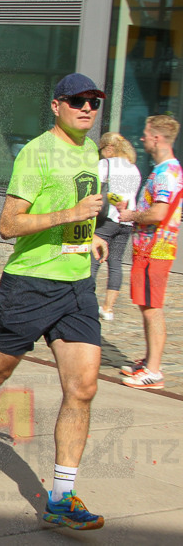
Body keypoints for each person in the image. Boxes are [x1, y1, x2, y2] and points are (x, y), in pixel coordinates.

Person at [0, 73, 108, 531]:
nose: (87, 108)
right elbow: (9, 225)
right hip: (30, 285)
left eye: (94, 101)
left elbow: (76, 212)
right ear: (57, 105)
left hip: (77, 286)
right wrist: (69, 216)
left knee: (83, 388)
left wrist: (85, 238)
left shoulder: (90, 151)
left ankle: (61, 495)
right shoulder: (36, 152)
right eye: (78, 101)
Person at [117, 115, 183, 390]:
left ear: (157, 138)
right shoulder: (165, 170)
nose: (142, 138)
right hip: (150, 249)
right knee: (147, 307)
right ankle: (149, 361)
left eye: (145, 134)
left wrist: (132, 214)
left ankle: (153, 371)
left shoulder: (167, 173)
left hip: (155, 250)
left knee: (152, 310)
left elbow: (158, 212)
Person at [90, 132, 141, 322]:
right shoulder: (134, 168)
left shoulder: (107, 165)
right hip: (127, 222)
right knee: (116, 262)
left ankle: (85, 303)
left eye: (102, 149)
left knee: (93, 260)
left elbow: (97, 189)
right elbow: (130, 196)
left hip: (108, 220)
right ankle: (108, 308)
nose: (101, 153)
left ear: (109, 148)